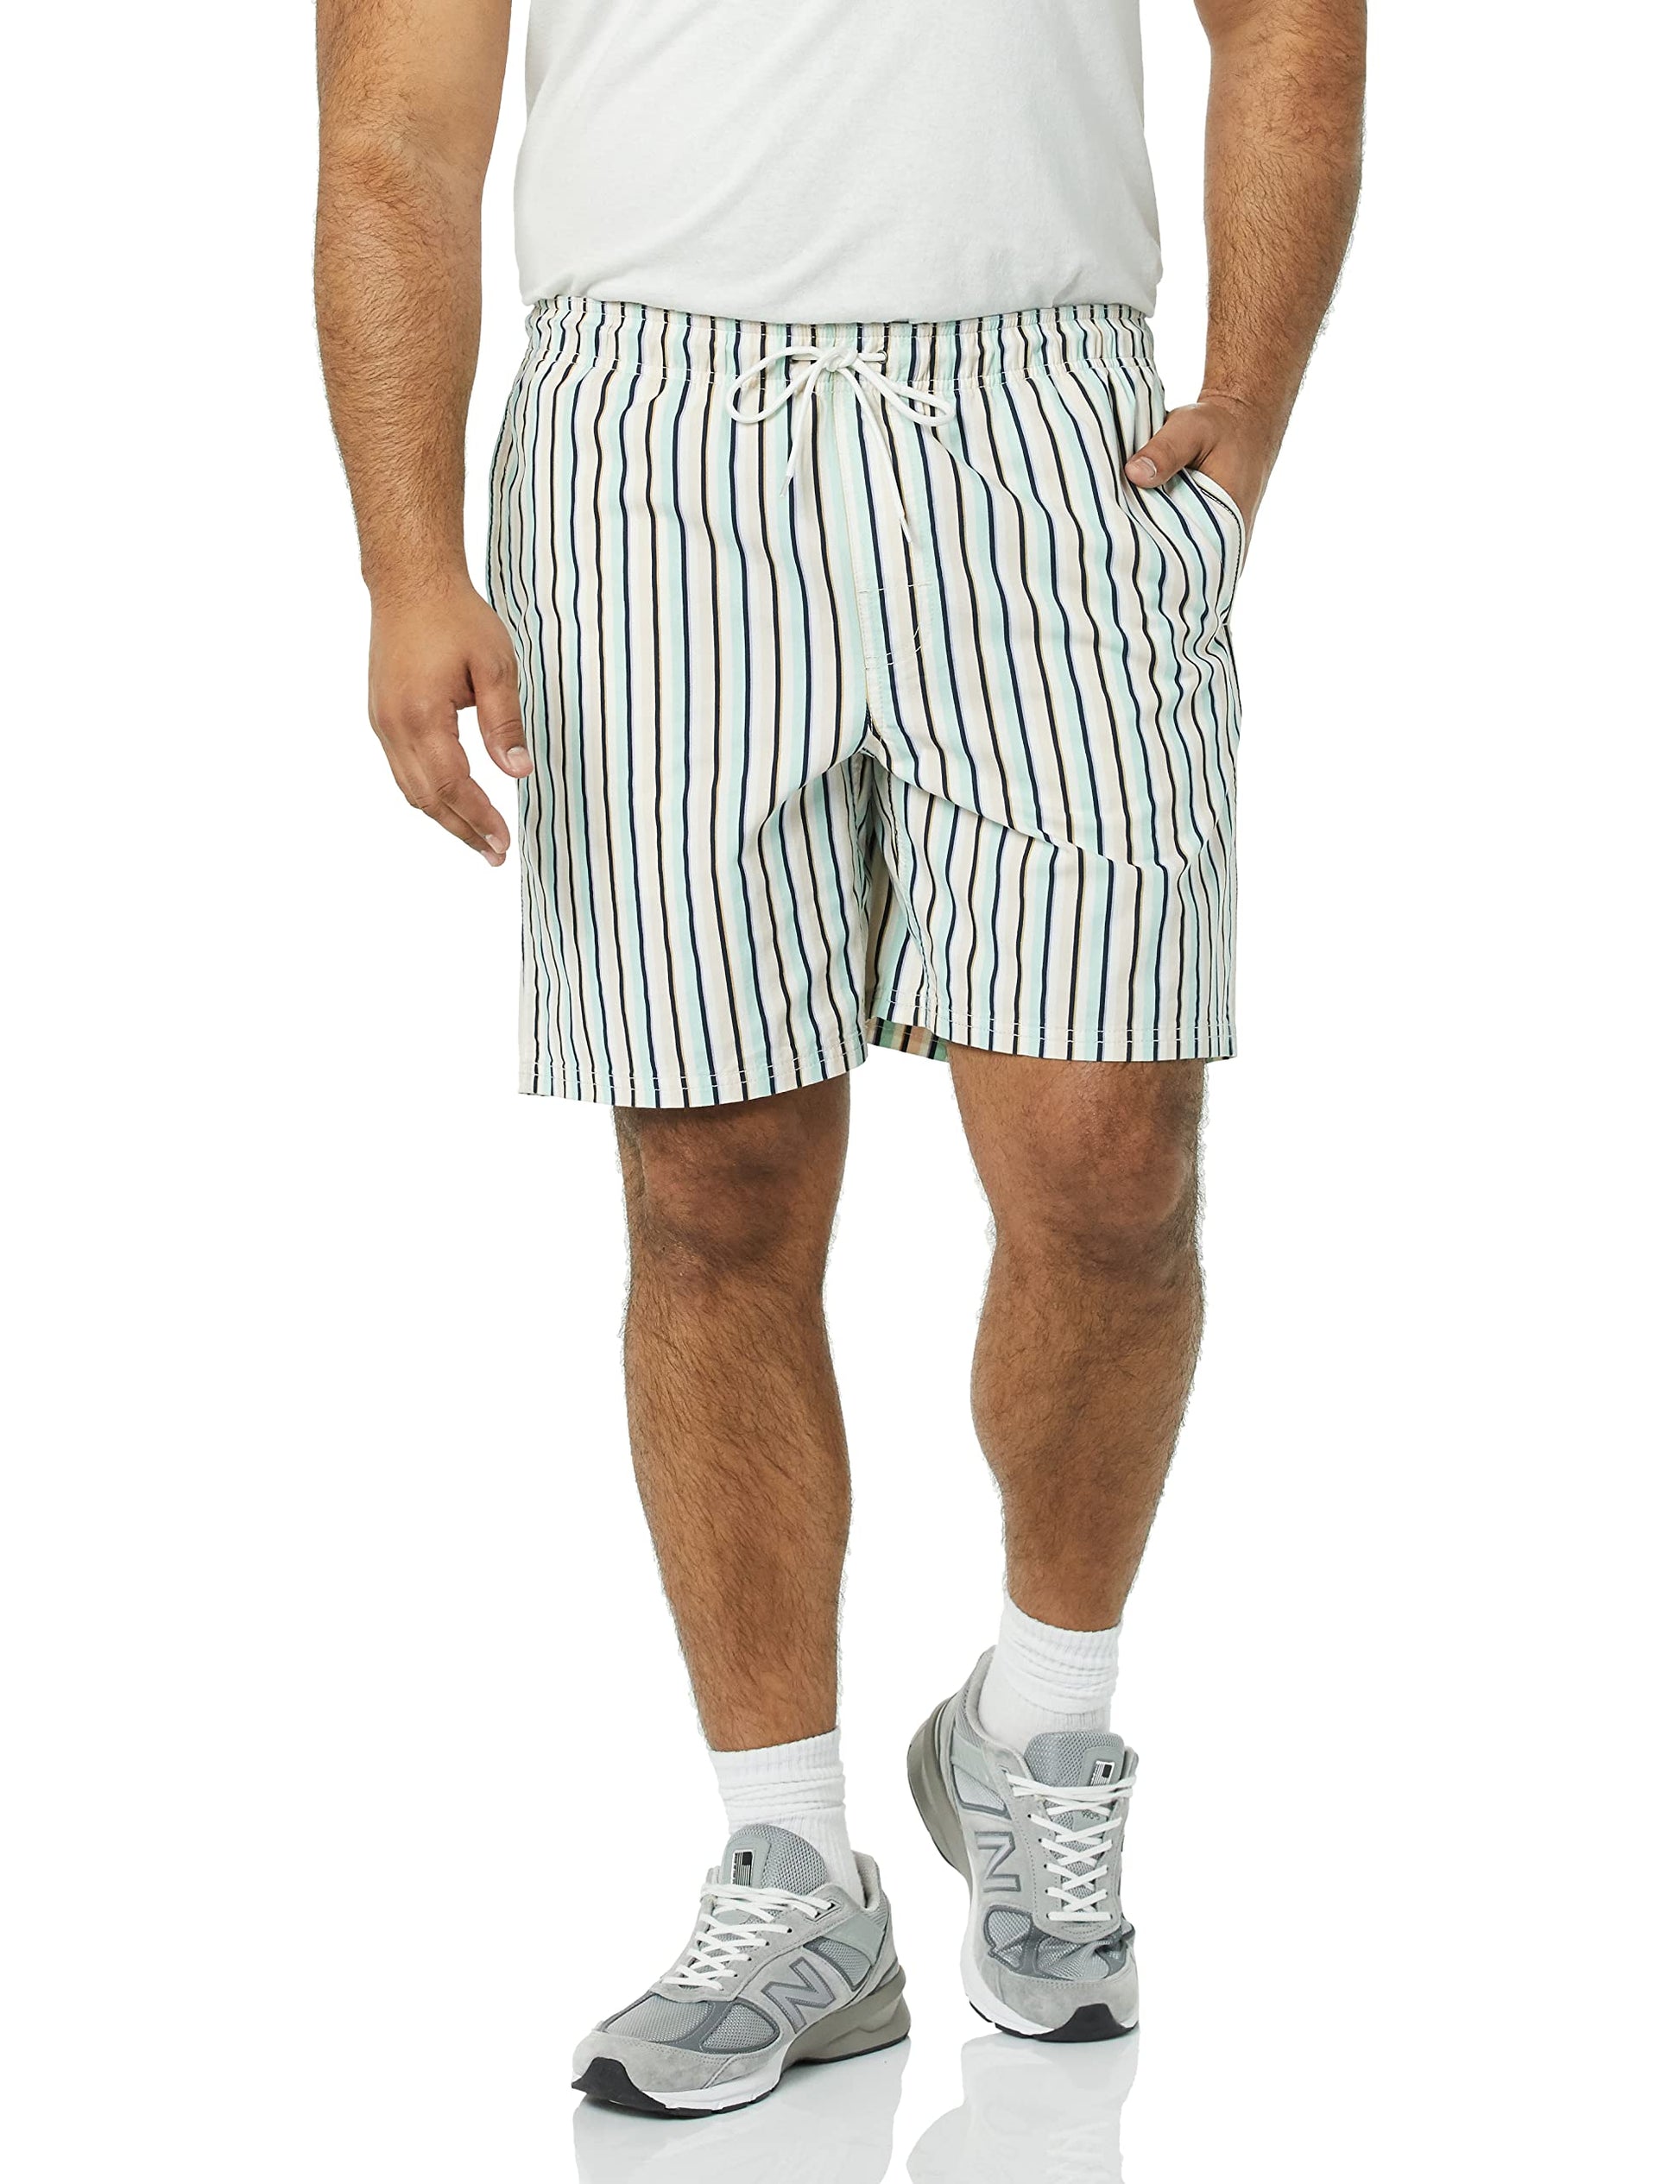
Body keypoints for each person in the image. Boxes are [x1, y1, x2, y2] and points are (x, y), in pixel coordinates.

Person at [315, 0, 1364, 2118]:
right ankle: (792, 1863)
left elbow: (1287, 23)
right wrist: (406, 556)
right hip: (649, 449)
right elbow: (391, 131)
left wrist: (1244, 417)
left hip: (1046, 438)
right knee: (713, 1184)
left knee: (1109, 1157)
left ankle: (1037, 1726)